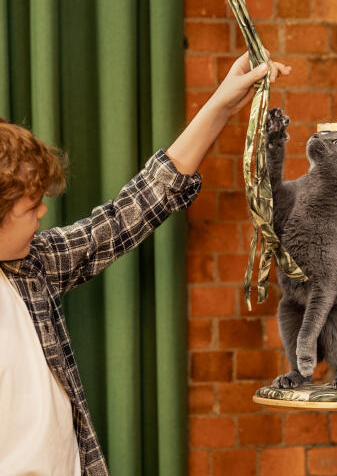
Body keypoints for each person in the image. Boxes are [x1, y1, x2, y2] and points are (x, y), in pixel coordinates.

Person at [0, 52, 291, 475]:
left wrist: (221, 105)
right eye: (30, 207)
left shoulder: (28, 268)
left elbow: (127, 215)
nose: (43, 213)